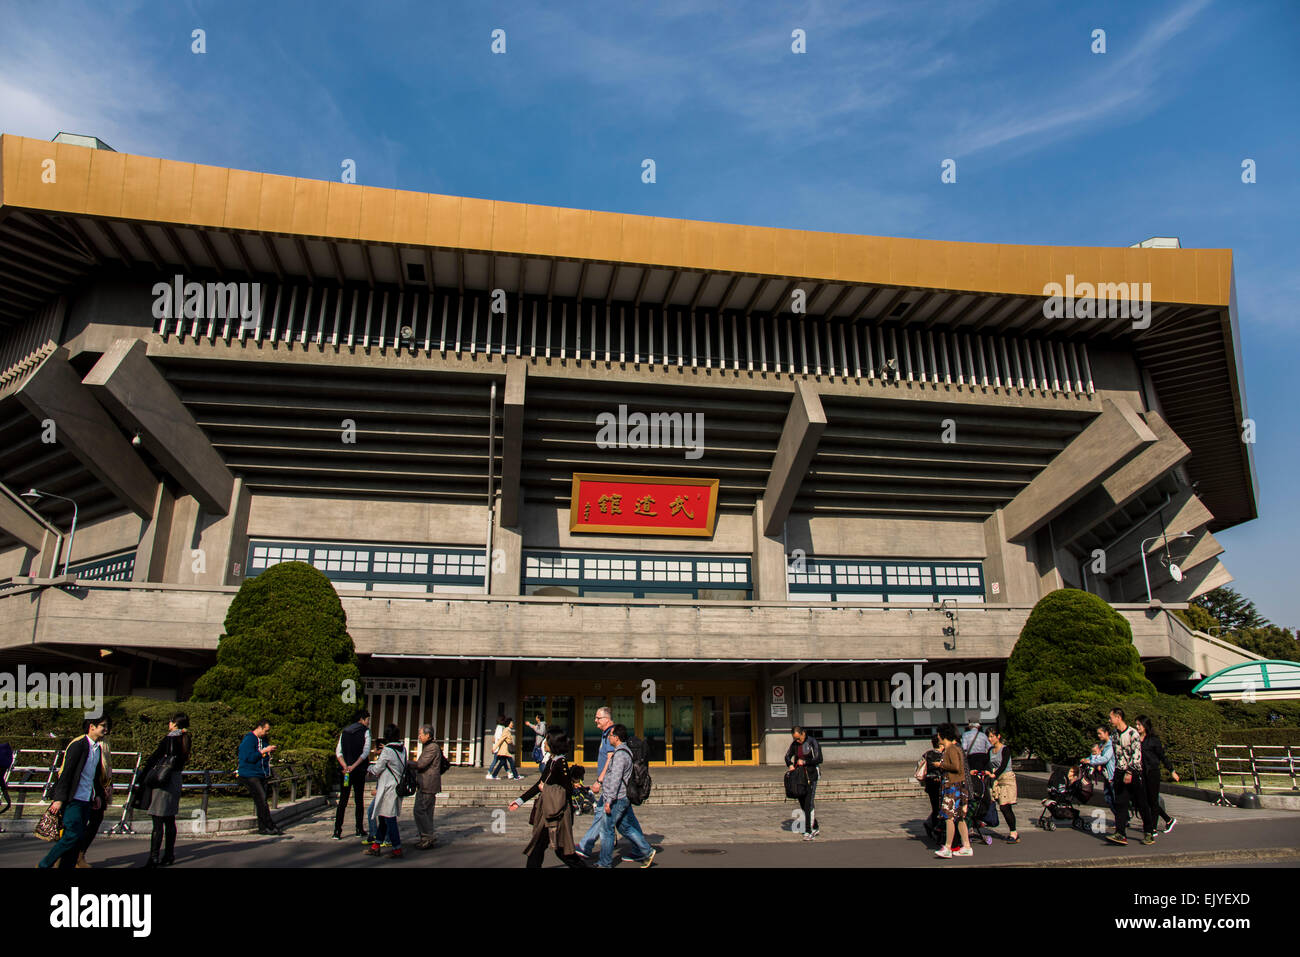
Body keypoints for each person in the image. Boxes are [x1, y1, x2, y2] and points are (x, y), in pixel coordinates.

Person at [39, 717, 112, 869]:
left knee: (77, 839)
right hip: (73, 799)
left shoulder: (97, 749)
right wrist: (58, 799)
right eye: (103, 726)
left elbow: (94, 776)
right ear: (92, 726)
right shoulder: (78, 745)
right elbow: (66, 774)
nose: (106, 729)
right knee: (72, 835)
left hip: (87, 799)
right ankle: (44, 864)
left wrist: (97, 795)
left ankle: (67, 865)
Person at [509, 730, 586, 868]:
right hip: (549, 811)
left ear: (553, 744)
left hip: (557, 814)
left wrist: (546, 789)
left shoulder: (560, 763)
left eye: (546, 740)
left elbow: (566, 790)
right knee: (554, 849)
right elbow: (539, 783)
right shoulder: (552, 761)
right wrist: (520, 801)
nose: (544, 743)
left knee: (552, 849)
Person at [595, 724, 655, 868]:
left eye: (610, 735)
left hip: (618, 798)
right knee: (625, 828)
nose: (608, 738)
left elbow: (616, 779)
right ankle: (646, 851)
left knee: (607, 829)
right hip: (622, 797)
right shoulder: (622, 751)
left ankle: (605, 862)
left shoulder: (621, 754)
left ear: (616, 737)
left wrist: (609, 801)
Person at [140, 713, 191, 867]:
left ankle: (153, 857)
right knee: (170, 819)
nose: (169, 724)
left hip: (164, 779)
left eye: (170, 721)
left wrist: (143, 774)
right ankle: (169, 854)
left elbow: (157, 756)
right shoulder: (185, 738)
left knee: (158, 820)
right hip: (175, 778)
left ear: (175, 723)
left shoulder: (171, 738)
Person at [1105, 707, 1155, 846]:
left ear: (1118, 717)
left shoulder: (1133, 733)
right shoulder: (1114, 735)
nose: (1110, 720)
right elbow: (1117, 755)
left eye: (1111, 717)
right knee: (1120, 803)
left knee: (1141, 803)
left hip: (1134, 772)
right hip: (1120, 771)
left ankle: (1149, 832)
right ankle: (1120, 833)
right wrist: (1116, 774)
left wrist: (1129, 772)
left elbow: (1136, 755)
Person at [575, 707, 615, 860]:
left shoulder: (611, 734)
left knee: (604, 814)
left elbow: (610, 759)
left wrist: (600, 780)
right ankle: (643, 849)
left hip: (609, 783)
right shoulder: (606, 734)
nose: (595, 720)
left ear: (607, 719)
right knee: (623, 820)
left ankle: (586, 846)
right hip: (609, 782)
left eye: (598, 718)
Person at [365, 724, 407, 859]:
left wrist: (369, 769)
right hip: (397, 786)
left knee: (389, 819)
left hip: (388, 788)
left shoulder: (388, 750)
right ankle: (376, 846)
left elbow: (377, 769)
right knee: (383, 818)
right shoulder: (403, 749)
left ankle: (397, 848)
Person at [934, 722, 973, 858]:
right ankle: (966, 845)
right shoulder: (957, 748)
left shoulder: (950, 749)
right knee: (960, 817)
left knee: (948, 817)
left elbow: (955, 766)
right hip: (960, 786)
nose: (937, 737)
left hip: (952, 786)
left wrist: (942, 765)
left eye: (938, 734)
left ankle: (948, 847)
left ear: (943, 735)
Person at [237, 719, 281, 836]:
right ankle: (269, 825)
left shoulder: (263, 740)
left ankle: (263, 827)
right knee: (261, 800)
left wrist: (268, 752)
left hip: (261, 774)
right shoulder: (249, 739)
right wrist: (263, 752)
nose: (267, 733)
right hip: (250, 774)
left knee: (262, 801)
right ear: (259, 728)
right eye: (266, 731)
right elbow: (248, 757)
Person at [1136, 715, 1179, 834]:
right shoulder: (1136, 739)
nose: (1137, 727)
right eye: (1136, 725)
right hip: (1142, 772)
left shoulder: (1153, 740)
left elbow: (1162, 756)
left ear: (1145, 726)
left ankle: (1153, 827)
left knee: (1153, 800)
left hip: (1153, 772)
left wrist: (1172, 771)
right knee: (1146, 800)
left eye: (1139, 724)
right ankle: (1168, 819)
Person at [333, 709, 371, 840]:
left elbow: (338, 752)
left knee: (343, 800)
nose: (368, 722)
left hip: (345, 773)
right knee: (358, 800)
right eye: (367, 719)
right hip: (358, 771)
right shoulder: (365, 732)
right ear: (362, 719)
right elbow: (365, 752)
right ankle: (359, 829)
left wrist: (345, 766)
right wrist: (354, 766)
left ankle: (337, 830)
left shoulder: (345, 731)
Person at [785, 726, 823, 840]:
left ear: (803, 734)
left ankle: (808, 831)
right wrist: (790, 764)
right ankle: (815, 826)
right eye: (795, 739)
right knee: (802, 802)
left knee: (808, 802)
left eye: (798, 738)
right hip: (799, 776)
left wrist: (805, 762)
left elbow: (819, 758)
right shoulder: (795, 744)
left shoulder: (812, 742)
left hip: (811, 775)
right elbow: (787, 756)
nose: (797, 741)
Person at [983, 727, 1019, 844]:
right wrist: (987, 772)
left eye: (992, 736)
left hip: (1006, 779)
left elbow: (1003, 765)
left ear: (998, 736)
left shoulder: (1005, 749)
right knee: (1001, 806)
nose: (990, 739)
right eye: (988, 736)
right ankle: (1012, 831)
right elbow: (987, 764)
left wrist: (994, 774)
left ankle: (1013, 832)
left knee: (1005, 806)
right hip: (996, 781)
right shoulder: (990, 751)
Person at [411, 724, 444, 849]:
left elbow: (421, 764)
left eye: (421, 734)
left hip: (427, 784)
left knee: (420, 810)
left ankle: (427, 836)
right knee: (426, 812)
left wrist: (406, 762)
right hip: (427, 783)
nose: (419, 737)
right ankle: (426, 837)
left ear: (428, 735)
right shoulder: (430, 746)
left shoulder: (432, 747)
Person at [1086, 725, 1117, 812]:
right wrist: (1087, 759)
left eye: (1100, 733)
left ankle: (1123, 820)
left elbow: (1106, 758)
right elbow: (1096, 756)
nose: (1098, 735)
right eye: (1098, 734)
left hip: (1112, 776)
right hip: (1106, 776)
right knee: (1108, 798)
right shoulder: (1102, 744)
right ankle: (1122, 819)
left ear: (1106, 733)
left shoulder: (1111, 745)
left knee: (1115, 798)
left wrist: (1090, 762)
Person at [921, 733, 945, 844]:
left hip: (930, 783)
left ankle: (932, 825)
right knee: (940, 808)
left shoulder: (927, 754)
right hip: (940, 783)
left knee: (935, 807)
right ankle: (937, 829)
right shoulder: (943, 755)